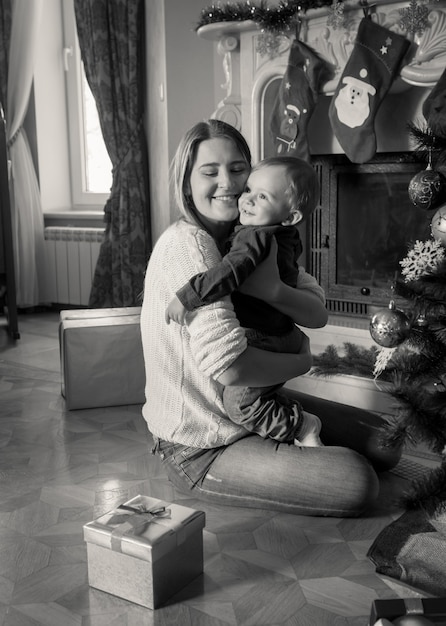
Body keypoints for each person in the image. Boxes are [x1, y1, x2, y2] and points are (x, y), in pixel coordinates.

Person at [140, 118, 401, 518]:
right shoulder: (190, 245)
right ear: (186, 183)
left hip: (254, 400)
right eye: (210, 172)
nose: (227, 183)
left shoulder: (255, 229)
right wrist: (302, 361)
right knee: (356, 481)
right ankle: (296, 436)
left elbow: (316, 308)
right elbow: (230, 370)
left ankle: (292, 432)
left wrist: (275, 292)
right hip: (202, 441)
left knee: (386, 439)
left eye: (238, 169)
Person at [165, 156, 322, 447]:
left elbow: (229, 271)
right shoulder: (283, 234)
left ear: (290, 217)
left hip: (265, 338)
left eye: (262, 196)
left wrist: (187, 297)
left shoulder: (254, 237)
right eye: (249, 190)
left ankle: (300, 426)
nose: (247, 200)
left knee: (238, 405)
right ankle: (279, 416)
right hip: (284, 334)